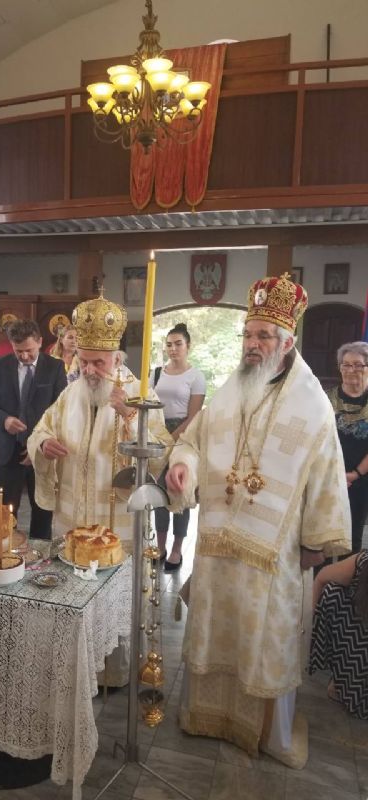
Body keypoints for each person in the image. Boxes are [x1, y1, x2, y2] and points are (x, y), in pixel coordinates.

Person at [165, 273, 351, 769]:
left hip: (273, 551)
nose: (252, 343)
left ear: (287, 342)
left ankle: (268, 735)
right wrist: (183, 467)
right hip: (218, 544)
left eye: (264, 336)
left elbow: (327, 473)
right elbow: (193, 440)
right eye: (248, 334)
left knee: (265, 639)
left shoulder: (312, 404)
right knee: (216, 628)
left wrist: (317, 542)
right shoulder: (230, 391)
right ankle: (207, 717)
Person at [28, 293, 171, 542]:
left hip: (116, 514)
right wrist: (43, 444)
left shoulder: (141, 395)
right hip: (72, 514)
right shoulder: (70, 393)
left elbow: (161, 451)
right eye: (83, 361)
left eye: (98, 363)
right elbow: (41, 429)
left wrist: (130, 415)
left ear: (117, 359)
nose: (89, 370)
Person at [0, 319, 66, 539]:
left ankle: (40, 553)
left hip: (41, 451)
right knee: (4, 513)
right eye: (18, 351)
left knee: (42, 510)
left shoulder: (55, 367)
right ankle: (5, 552)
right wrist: (4, 420)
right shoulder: (0, 365)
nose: (25, 356)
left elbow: (61, 410)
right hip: (8, 450)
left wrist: (38, 444)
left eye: (29, 350)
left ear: (40, 342)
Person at [153, 323, 206, 571]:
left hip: (184, 435)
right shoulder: (156, 373)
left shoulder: (196, 376)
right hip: (157, 431)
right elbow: (150, 404)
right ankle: (160, 546)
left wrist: (172, 438)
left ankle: (176, 549)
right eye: (169, 344)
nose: (173, 349)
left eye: (178, 344)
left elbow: (194, 416)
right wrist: (158, 435)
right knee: (159, 491)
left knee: (179, 490)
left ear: (188, 346)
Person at [310, 550, 368, 718]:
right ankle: (342, 679)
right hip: (360, 637)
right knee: (332, 592)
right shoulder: (363, 562)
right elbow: (322, 577)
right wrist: (311, 624)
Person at [327, 341, 368, 554]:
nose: (351, 369)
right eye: (346, 364)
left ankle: (349, 576)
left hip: (361, 479)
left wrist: (355, 474)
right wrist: (333, 473)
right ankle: (323, 575)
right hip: (327, 477)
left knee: (353, 538)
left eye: (358, 365)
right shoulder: (324, 399)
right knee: (324, 537)